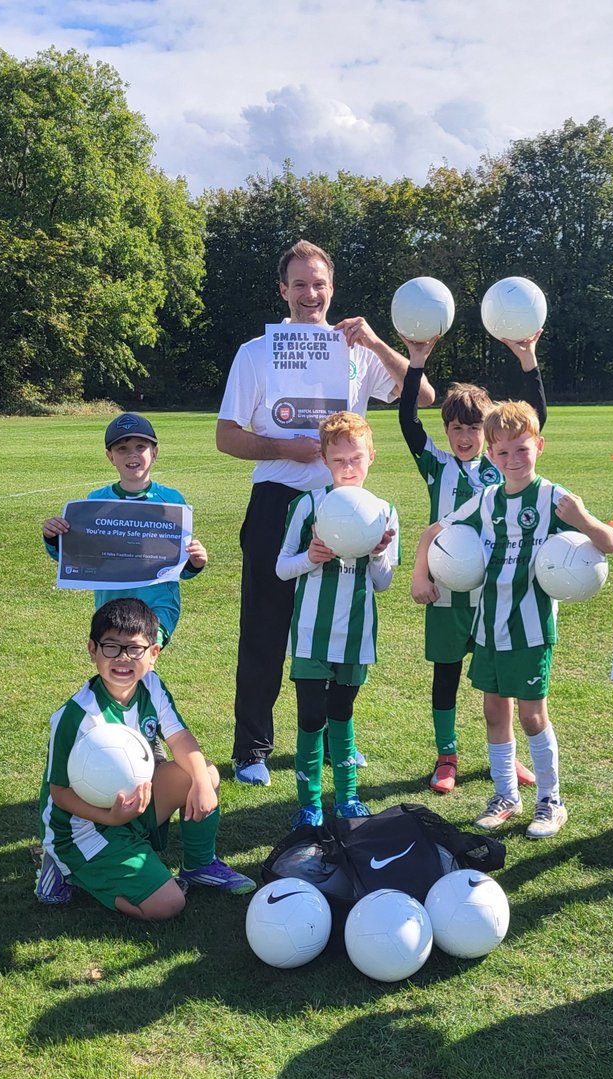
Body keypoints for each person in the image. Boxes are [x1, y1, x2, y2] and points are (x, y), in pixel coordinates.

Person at [216, 240, 431, 786]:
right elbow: (227, 437)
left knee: (340, 629)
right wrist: (286, 448)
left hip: (346, 507)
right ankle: (252, 750)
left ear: (332, 289)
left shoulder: (359, 350)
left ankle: (338, 742)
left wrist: (380, 344)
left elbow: (424, 395)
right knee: (266, 626)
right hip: (277, 500)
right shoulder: (256, 352)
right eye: (300, 284)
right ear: (283, 290)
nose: (310, 294)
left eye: (319, 284)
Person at [417, 401, 613, 837]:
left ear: (539, 446)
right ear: (491, 455)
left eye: (522, 449)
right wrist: (420, 572)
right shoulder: (487, 499)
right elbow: (435, 530)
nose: (513, 460)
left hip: (529, 628)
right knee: (494, 712)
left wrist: (582, 517)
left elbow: (610, 543)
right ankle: (506, 795)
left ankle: (551, 801)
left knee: (531, 715)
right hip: (489, 626)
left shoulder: (552, 497)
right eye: (503, 452)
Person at [35, 597, 255, 918]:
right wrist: (111, 818)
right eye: (111, 647)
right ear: (92, 650)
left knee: (202, 773)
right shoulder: (77, 716)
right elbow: (59, 793)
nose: (123, 658)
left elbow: (180, 739)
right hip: (84, 829)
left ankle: (199, 865)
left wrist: (202, 784)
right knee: (169, 905)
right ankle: (66, 869)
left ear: (153, 654)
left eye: (134, 649)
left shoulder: (151, 686)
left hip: (134, 804)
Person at [402, 332, 547, 795]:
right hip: (445, 594)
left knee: (500, 679)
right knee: (445, 674)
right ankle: (447, 756)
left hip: (494, 595)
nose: (464, 438)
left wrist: (529, 361)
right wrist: (417, 362)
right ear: (446, 431)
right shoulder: (435, 466)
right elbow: (407, 418)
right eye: (456, 429)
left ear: (487, 433)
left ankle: (506, 755)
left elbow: (534, 421)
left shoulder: (501, 467)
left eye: (473, 429)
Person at [275, 411, 397, 828]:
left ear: (371, 457)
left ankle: (346, 797)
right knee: (311, 716)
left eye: (356, 458)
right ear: (325, 460)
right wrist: (309, 558)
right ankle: (308, 803)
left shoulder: (384, 511)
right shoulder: (307, 504)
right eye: (339, 460)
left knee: (341, 714)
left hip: (355, 635)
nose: (349, 468)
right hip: (311, 632)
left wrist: (379, 551)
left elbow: (382, 583)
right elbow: (280, 568)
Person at [42, 413, 206, 647]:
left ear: (155, 453)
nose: (132, 454)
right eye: (122, 448)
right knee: (118, 668)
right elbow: (76, 559)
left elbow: (179, 567)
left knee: (142, 654)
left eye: (141, 446)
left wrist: (196, 562)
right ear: (110, 457)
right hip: (111, 607)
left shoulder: (172, 500)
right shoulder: (95, 502)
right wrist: (53, 537)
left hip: (158, 606)